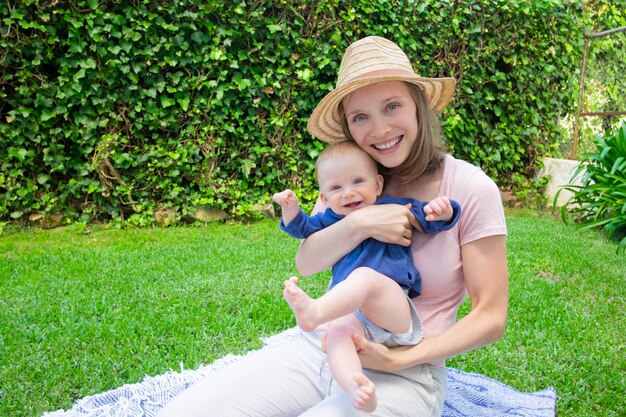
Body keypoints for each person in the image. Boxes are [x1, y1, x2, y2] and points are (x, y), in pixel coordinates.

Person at [157, 35, 508, 417]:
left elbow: (491, 316)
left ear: (419, 106)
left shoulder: (470, 188)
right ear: (347, 125)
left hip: (407, 372)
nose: (379, 130)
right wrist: (361, 222)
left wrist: (399, 361)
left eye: (392, 106)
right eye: (360, 117)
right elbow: (307, 263)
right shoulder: (350, 181)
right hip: (327, 344)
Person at [272, 140, 461, 412]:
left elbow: (427, 217)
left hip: (393, 309)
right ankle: (356, 386)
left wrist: (445, 210)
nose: (348, 193)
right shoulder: (331, 220)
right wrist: (290, 209)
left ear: (378, 185)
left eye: (358, 181)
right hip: (356, 318)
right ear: (324, 198)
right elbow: (303, 228)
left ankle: (314, 312)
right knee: (337, 333)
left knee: (363, 277)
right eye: (336, 187)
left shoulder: (392, 206)